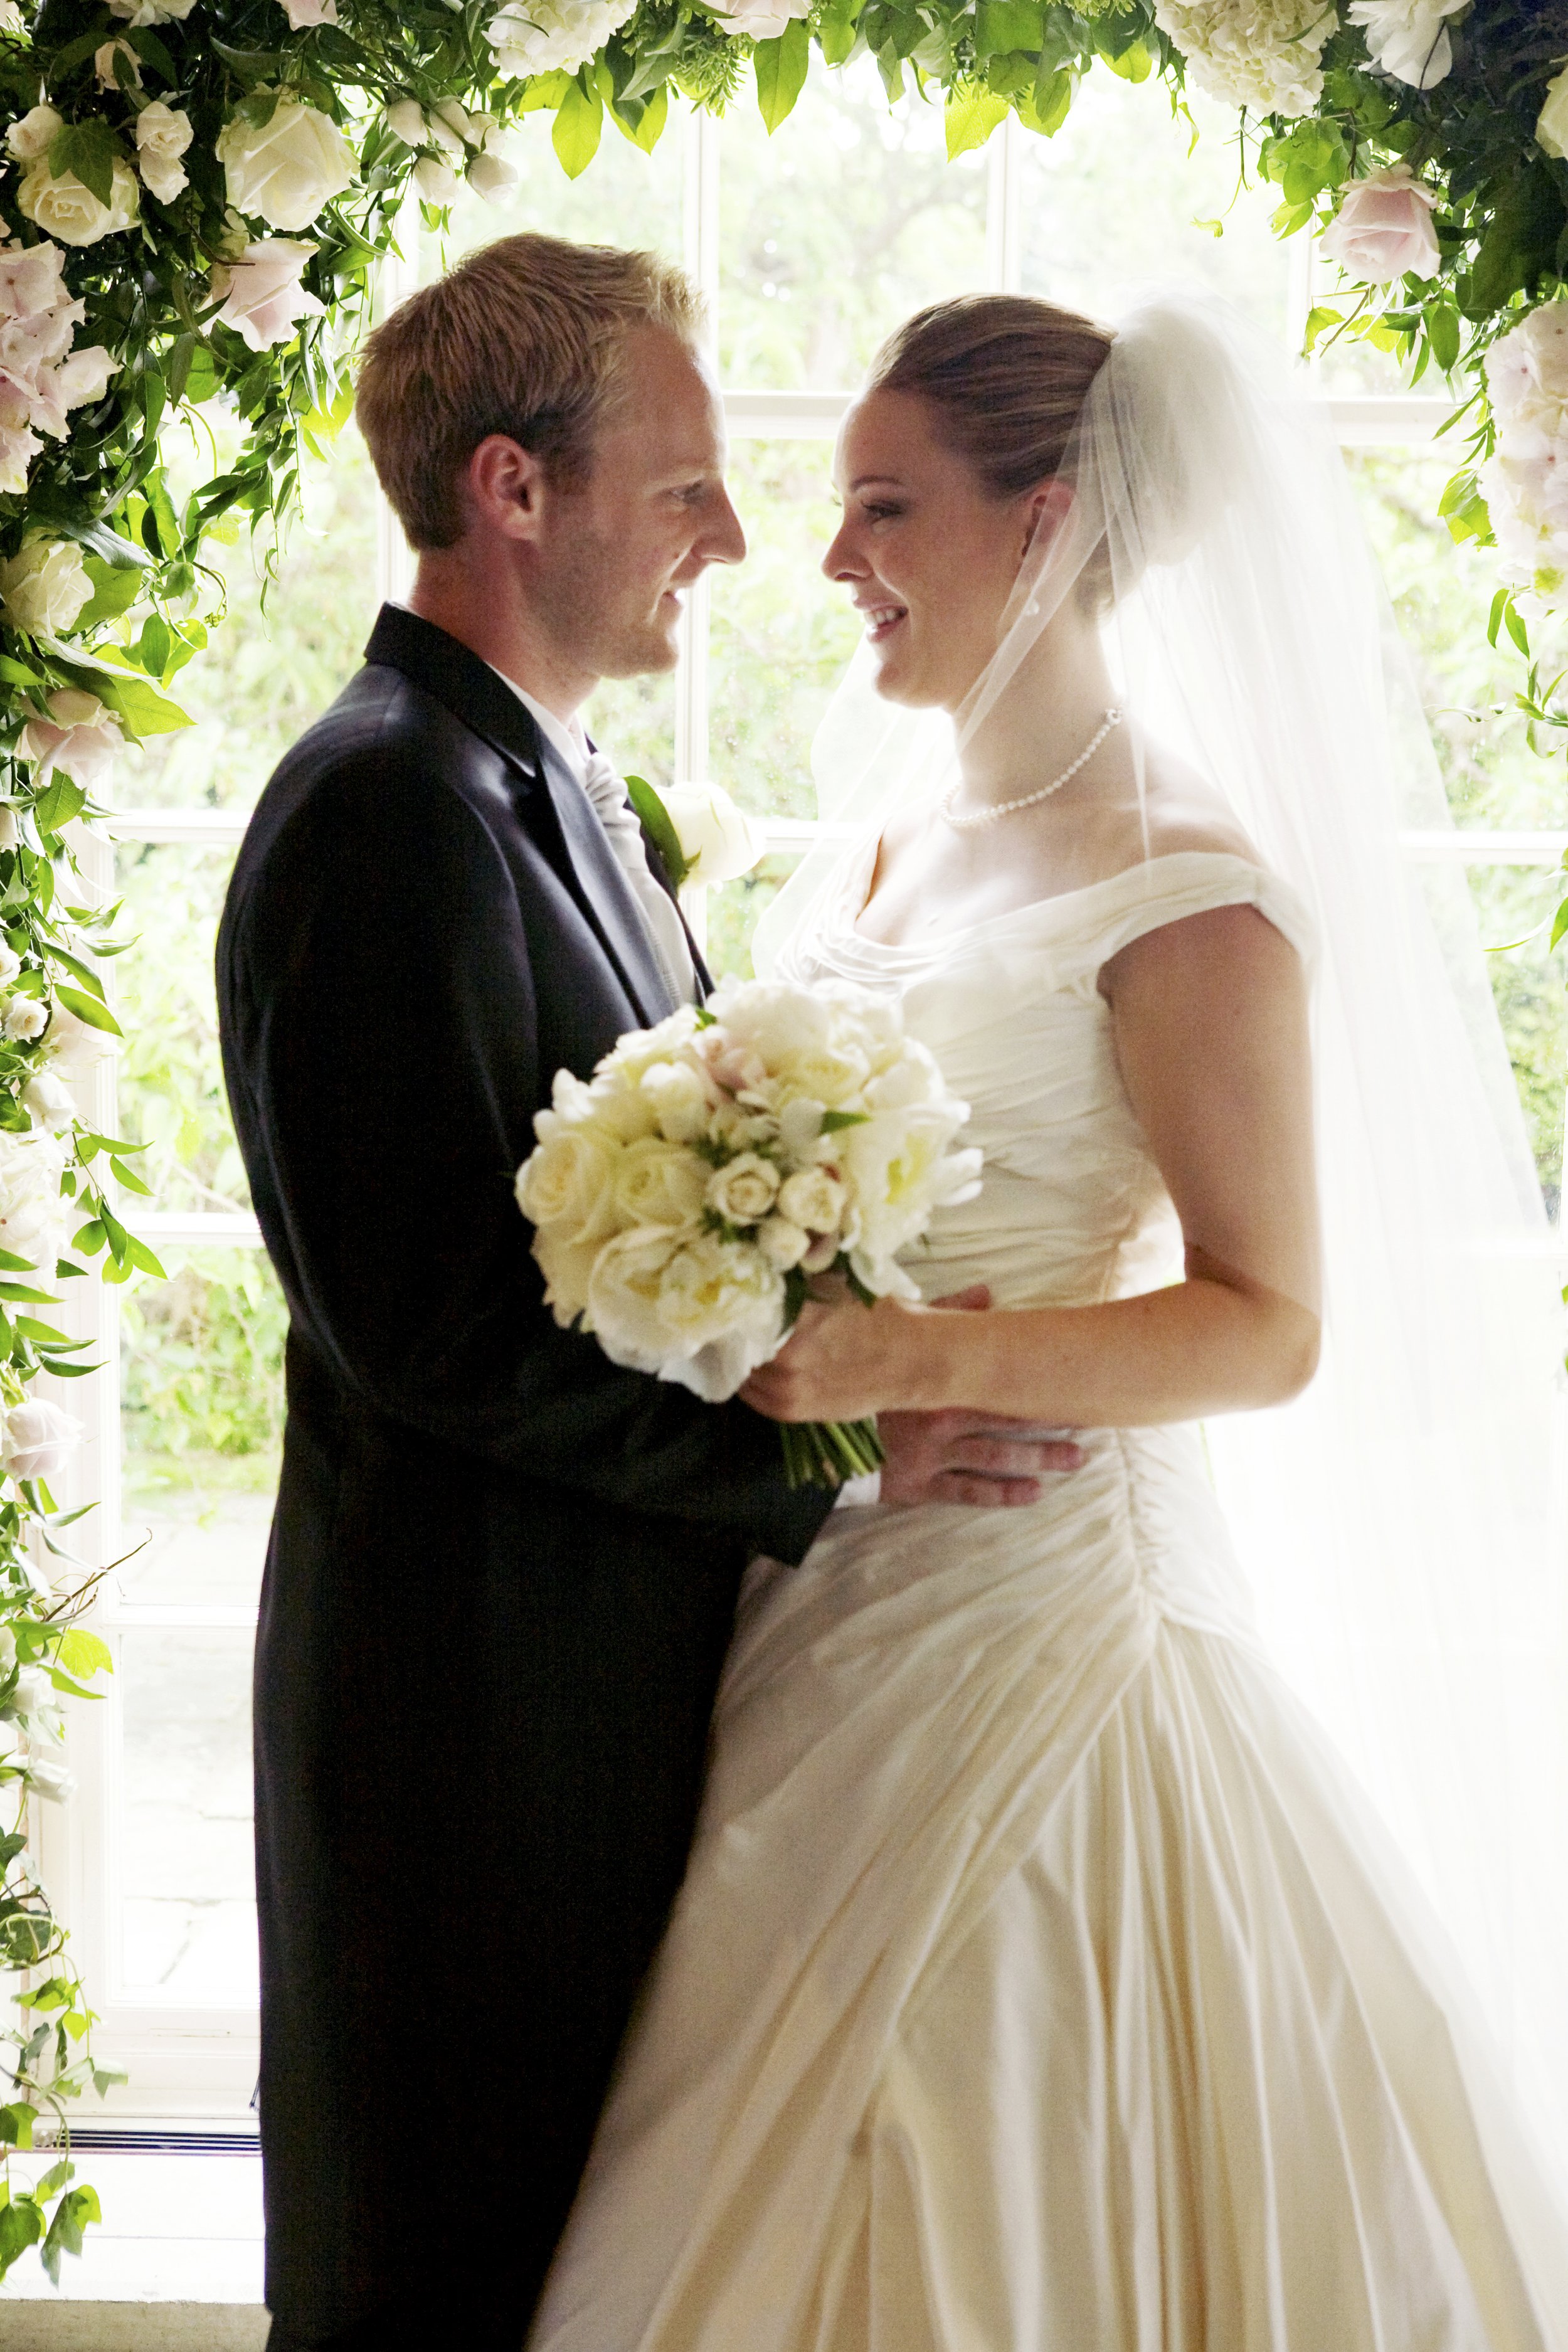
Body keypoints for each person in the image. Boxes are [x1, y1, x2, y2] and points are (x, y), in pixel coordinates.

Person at [524, 292, 1568, 2348]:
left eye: (883, 508)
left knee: (979, 2125)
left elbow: (1266, 1324)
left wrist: (904, 1364)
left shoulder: (1190, 887)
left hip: (1049, 1615)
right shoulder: (901, 836)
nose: (832, 564)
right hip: (827, 1590)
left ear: (1047, 522)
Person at [215, 236, 1079, 2352]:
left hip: (605, 1689)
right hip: (468, 1730)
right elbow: (427, 1336)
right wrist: (845, 1457)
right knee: (433, 2275)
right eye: (685, 483)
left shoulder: (553, 790)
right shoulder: (377, 811)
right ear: (515, 492)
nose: (734, 535)